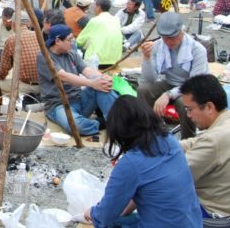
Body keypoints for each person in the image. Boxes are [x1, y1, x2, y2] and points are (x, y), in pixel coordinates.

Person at [84, 96, 202, 227]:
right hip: (193, 223)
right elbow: (153, 183)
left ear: (120, 131)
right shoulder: (170, 140)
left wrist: (92, 213)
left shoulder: (131, 163)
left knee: (105, 223)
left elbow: (105, 216)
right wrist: (127, 208)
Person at [179, 75, 230, 217]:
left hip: (220, 218)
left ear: (209, 107)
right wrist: (168, 145)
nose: (188, 115)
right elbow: (196, 142)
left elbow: (174, 173)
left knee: (159, 194)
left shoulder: (216, 139)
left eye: (189, 109)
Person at [138, 11, 209, 139]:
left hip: (191, 87)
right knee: (143, 90)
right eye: (165, 38)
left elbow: (195, 83)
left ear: (182, 31)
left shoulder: (197, 49)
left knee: (185, 103)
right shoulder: (159, 46)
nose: (169, 42)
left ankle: (188, 139)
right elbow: (149, 79)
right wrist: (147, 59)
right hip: (169, 82)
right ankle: (154, 131)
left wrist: (168, 94)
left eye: (173, 37)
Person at [37, 25, 117, 135]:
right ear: (57, 41)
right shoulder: (44, 57)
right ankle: (104, 123)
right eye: (69, 40)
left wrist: (102, 78)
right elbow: (63, 76)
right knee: (77, 127)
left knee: (103, 86)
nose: (72, 42)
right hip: (58, 105)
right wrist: (91, 83)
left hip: (79, 99)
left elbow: (87, 70)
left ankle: (119, 122)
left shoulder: (72, 54)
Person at [0, 12, 40, 95]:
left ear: (13, 24)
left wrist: (0, 77)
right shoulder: (38, 35)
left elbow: (3, 70)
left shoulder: (12, 40)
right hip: (44, 84)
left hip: (27, 86)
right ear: (28, 23)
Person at [76, 0, 123, 68]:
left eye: (95, 6)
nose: (94, 8)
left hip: (97, 62)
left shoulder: (95, 20)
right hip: (115, 61)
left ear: (99, 7)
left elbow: (79, 41)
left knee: (78, 49)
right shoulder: (116, 20)